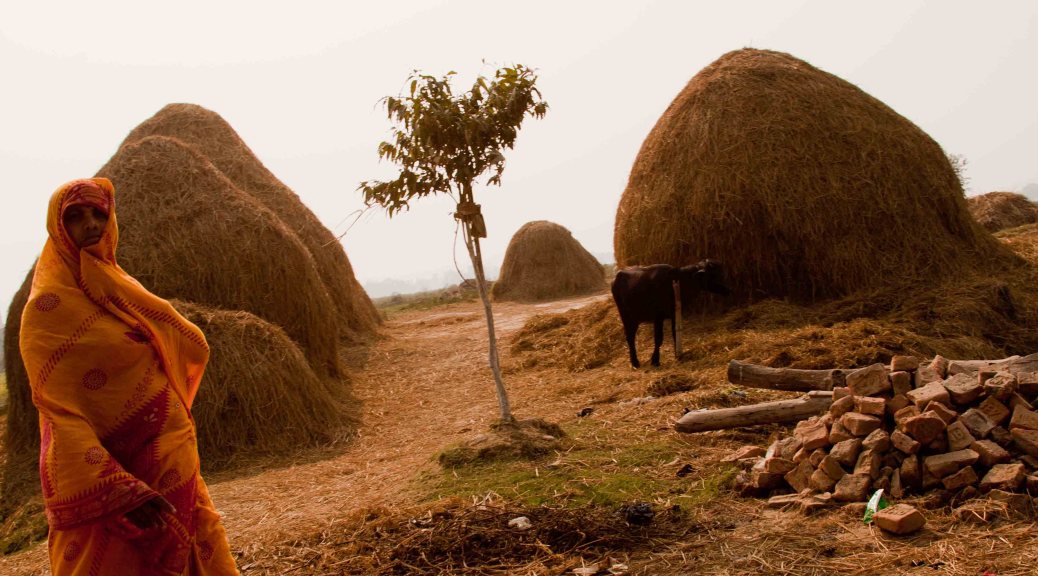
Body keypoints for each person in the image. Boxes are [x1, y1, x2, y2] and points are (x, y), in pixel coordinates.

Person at [19, 178, 238, 575]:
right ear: (57, 226)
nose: (91, 224)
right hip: (108, 469)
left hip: (166, 453)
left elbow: (182, 342)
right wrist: (118, 487)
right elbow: (58, 411)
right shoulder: (46, 310)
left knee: (192, 550)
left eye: (99, 214)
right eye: (75, 216)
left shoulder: (122, 288)